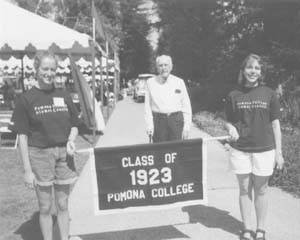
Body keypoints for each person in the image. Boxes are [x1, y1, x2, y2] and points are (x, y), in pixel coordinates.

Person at [10, 51, 81, 240]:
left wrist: (71, 139)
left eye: (53, 69)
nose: (49, 73)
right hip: (39, 155)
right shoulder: (26, 99)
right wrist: (27, 170)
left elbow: (75, 125)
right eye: (45, 69)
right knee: (45, 206)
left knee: (63, 204)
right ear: (36, 69)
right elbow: (22, 137)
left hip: (64, 155)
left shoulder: (64, 95)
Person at [224, 54, 284, 240]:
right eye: (250, 67)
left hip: (265, 149)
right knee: (244, 189)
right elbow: (227, 121)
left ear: (261, 73)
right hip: (240, 149)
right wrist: (230, 127)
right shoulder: (233, 94)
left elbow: (275, 124)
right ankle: (247, 229)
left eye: (257, 68)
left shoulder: (269, 94)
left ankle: (261, 229)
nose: (253, 71)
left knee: (262, 189)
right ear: (243, 70)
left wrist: (279, 153)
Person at [145, 55, 192, 142]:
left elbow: (186, 106)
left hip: (176, 122)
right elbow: (147, 107)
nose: (163, 68)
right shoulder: (150, 83)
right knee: (160, 151)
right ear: (157, 68)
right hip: (158, 122)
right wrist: (149, 125)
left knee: (177, 151)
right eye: (160, 65)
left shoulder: (179, 82)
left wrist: (186, 127)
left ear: (171, 67)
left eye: (166, 65)